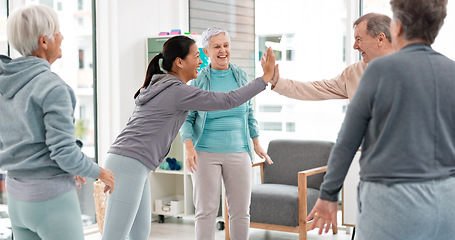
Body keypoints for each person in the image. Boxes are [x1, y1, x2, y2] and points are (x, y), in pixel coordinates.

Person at [101, 35, 275, 240]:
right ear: (179, 62)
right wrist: (265, 78)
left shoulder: (160, 85)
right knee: (115, 235)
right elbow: (227, 100)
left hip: (132, 163)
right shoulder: (177, 91)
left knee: (140, 232)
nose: (201, 61)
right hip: (129, 163)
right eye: (196, 56)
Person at [306, 0, 455, 239]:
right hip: (447, 201)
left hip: (392, 200)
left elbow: (347, 141)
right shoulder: (452, 71)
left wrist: (328, 194)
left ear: (396, 28)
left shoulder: (379, 70)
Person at [0, 5, 115, 240]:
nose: (61, 37)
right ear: (44, 40)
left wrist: (71, 167)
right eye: (58, 31)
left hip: (16, 197)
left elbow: (26, 142)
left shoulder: (5, 85)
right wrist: (100, 172)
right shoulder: (54, 87)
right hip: (50, 199)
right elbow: (63, 151)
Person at [180, 27, 273, 240]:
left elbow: (249, 111)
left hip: (238, 151)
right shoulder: (198, 80)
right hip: (204, 152)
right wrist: (188, 147)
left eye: (226, 45)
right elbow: (187, 117)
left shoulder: (240, 76)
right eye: (217, 46)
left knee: (241, 212)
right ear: (206, 52)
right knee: (206, 212)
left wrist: (256, 141)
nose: (223, 51)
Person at [271, 13, 394, 101]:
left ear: (380, 39)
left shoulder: (411, 68)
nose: (355, 46)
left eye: (359, 39)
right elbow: (315, 89)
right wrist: (277, 82)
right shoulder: (354, 73)